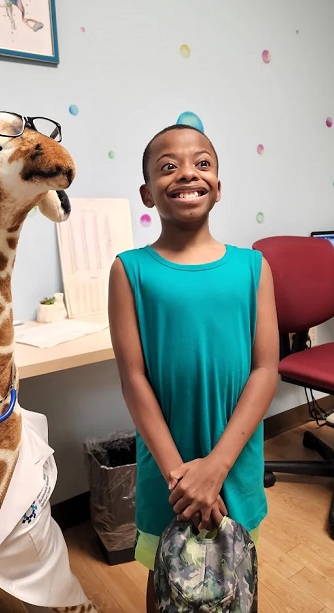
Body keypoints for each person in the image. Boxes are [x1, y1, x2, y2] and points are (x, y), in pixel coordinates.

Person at [108, 124, 279, 613]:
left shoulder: (254, 267)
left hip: (235, 460)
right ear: (147, 193)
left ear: (218, 187)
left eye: (202, 163)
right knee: (166, 570)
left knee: (235, 568)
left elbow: (265, 370)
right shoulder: (130, 270)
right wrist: (180, 479)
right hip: (168, 471)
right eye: (169, 166)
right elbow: (133, 379)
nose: (187, 173)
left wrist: (217, 467)